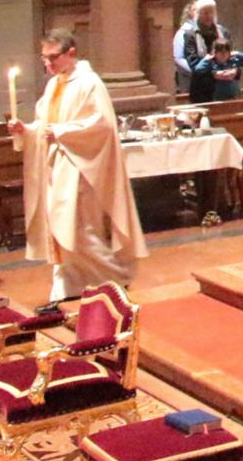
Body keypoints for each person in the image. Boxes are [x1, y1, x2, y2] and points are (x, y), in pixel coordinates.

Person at [10, 31, 146, 300]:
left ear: (71, 53)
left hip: (81, 167)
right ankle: (68, 286)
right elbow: (45, 125)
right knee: (60, 228)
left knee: (78, 230)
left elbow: (101, 124)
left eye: (53, 57)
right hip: (57, 165)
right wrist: (26, 130)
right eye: (44, 58)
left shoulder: (89, 83)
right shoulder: (54, 85)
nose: (47, 64)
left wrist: (61, 132)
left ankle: (116, 276)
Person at [176, 0, 230, 98]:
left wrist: (235, 72)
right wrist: (213, 73)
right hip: (202, 87)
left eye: (211, 12)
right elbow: (193, 63)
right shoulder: (190, 35)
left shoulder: (223, 32)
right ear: (197, 14)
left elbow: (232, 56)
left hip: (225, 85)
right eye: (205, 13)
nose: (209, 16)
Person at [188, 37, 243, 102]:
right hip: (218, 98)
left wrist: (237, 53)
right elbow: (198, 69)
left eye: (226, 52)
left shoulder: (233, 61)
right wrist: (207, 59)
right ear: (215, 53)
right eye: (220, 52)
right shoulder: (212, 64)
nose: (223, 54)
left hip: (234, 97)